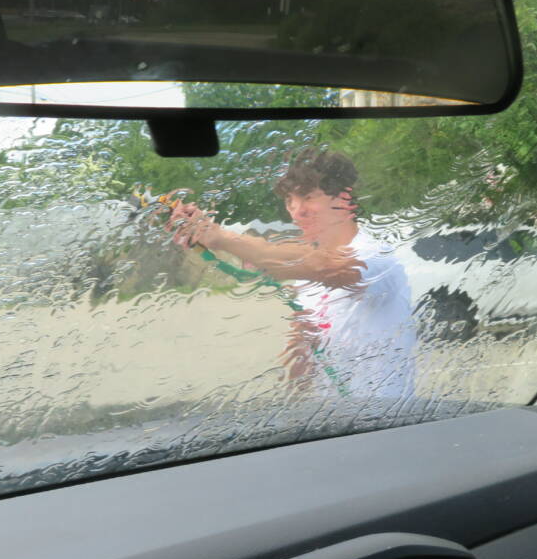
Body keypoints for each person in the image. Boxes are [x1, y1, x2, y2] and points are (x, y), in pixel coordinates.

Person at [167, 147, 416, 399]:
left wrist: (220, 238)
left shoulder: (375, 255)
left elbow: (330, 267)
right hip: (331, 422)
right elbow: (301, 369)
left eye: (308, 197)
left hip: (387, 422)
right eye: (290, 201)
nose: (297, 210)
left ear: (344, 197)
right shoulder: (305, 276)